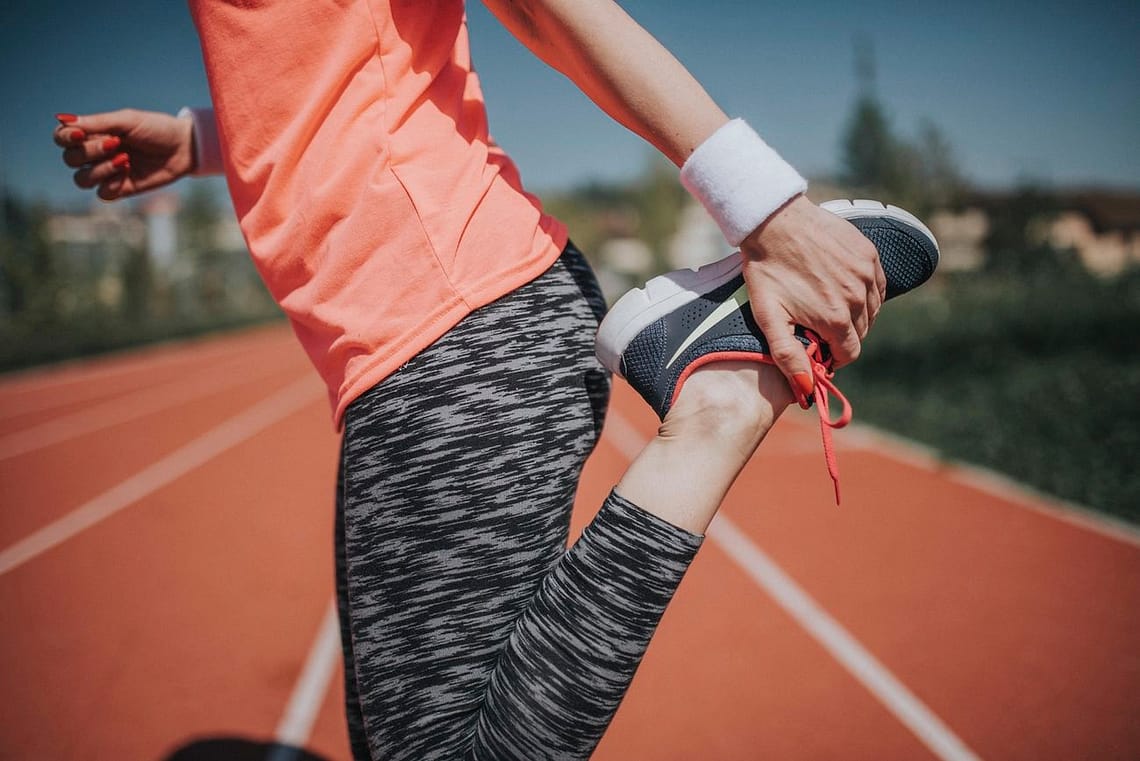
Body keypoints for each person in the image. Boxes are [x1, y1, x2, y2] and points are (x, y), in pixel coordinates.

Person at [52, 2, 937, 758]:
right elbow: (328, 67)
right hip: (422, 330)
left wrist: (764, 206)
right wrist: (208, 137)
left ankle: (720, 397)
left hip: (452, 314)